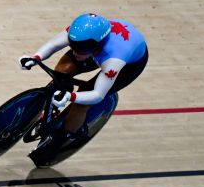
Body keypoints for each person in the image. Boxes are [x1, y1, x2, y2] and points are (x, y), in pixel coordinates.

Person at [20, 12, 148, 163]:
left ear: (97, 44)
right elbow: (53, 44)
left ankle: (65, 136)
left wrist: (71, 97)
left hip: (128, 65)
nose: (75, 52)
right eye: (74, 46)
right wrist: (35, 58)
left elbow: (98, 95)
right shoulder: (80, 35)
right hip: (95, 51)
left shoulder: (114, 58)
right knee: (61, 73)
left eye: (81, 48)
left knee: (82, 102)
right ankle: (52, 106)